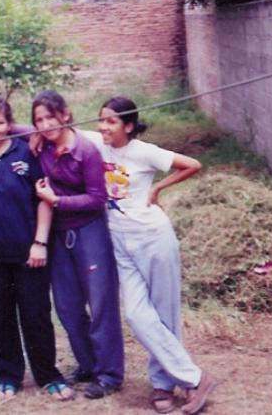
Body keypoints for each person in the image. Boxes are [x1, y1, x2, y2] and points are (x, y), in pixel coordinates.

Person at [84, 96, 216, 414]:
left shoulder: (144, 152)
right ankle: (195, 378)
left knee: (163, 314)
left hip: (154, 239)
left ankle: (163, 385)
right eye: (101, 120)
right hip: (120, 243)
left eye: (111, 121)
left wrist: (158, 188)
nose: (103, 126)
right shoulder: (96, 144)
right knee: (136, 315)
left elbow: (192, 165)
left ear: (128, 126)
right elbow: (58, 127)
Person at [0, 96, 74, 401]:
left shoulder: (28, 151)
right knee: (0, 317)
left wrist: (40, 243)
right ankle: (9, 375)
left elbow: (44, 199)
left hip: (29, 252)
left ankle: (48, 374)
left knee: (36, 314)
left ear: (8, 123)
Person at [30, 90, 124, 399]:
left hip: (89, 232)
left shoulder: (86, 150)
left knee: (100, 304)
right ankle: (88, 364)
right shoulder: (43, 145)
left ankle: (109, 373)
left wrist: (57, 200)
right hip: (58, 237)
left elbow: (98, 199)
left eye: (50, 117)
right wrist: (30, 132)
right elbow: (14, 129)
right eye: (38, 120)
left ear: (66, 114)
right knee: (68, 307)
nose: (45, 124)